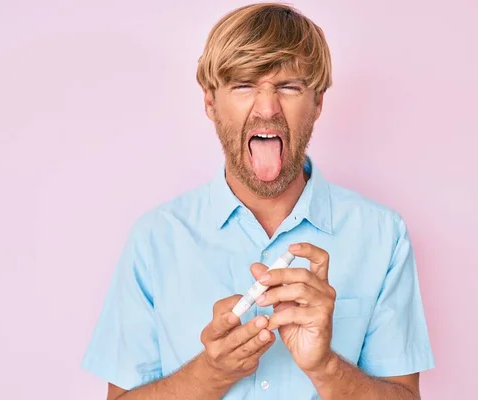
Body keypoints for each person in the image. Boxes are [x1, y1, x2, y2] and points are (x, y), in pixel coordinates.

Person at [82, 3, 435, 399]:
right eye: (244, 85)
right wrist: (211, 373)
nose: (267, 109)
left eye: (289, 87)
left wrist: (326, 367)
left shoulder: (383, 236)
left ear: (317, 102)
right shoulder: (155, 239)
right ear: (210, 102)